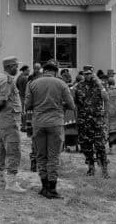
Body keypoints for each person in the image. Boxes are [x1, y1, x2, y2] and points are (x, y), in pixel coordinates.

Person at [25, 59, 75, 198]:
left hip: (38, 123)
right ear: (55, 71)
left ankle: (44, 187)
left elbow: (27, 105)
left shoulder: (33, 83)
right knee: (53, 157)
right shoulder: (61, 83)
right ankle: (52, 189)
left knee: (41, 155)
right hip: (55, 123)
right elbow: (71, 105)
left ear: (44, 71)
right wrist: (60, 104)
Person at [0, 56, 26, 193]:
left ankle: (0, 180)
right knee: (13, 148)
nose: (17, 69)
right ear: (10, 67)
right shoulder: (7, 80)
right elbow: (2, 101)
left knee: (1, 148)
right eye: (16, 66)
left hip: (2, 118)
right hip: (9, 117)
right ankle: (11, 182)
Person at [73, 67, 109, 177]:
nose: (88, 76)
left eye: (90, 74)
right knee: (86, 145)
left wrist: (99, 84)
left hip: (97, 121)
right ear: (83, 74)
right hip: (84, 120)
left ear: (93, 74)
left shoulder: (99, 85)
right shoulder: (78, 86)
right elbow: (74, 103)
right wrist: (76, 118)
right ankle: (91, 167)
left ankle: (104, 169)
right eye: (86, 74)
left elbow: (106, 98)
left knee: (100, 145)